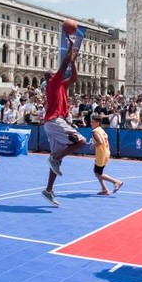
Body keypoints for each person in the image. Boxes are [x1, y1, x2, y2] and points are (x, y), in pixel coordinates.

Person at [41, 37, 86, 207]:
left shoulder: (61, 86)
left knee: (56, 160)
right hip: (54, 121)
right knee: (81, 141)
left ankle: (48, 190)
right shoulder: (53, 83)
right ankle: (55, 158)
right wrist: (71, 47)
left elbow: (74, 78)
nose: (57, 72)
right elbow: (64, 64)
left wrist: (73, 61)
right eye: (54, 73)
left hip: (53, 123)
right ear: (51, 77)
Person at [90, 115, 123, 195]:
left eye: (92, 122)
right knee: (98, 172)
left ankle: (116, 182)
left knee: (98, 173)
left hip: (101, 153)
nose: (91, 123)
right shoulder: (101, 130)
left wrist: (92, 146)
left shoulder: (95, 131)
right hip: (106, 152)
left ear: (97, 123)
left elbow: (100, 142)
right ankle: (104, 189)